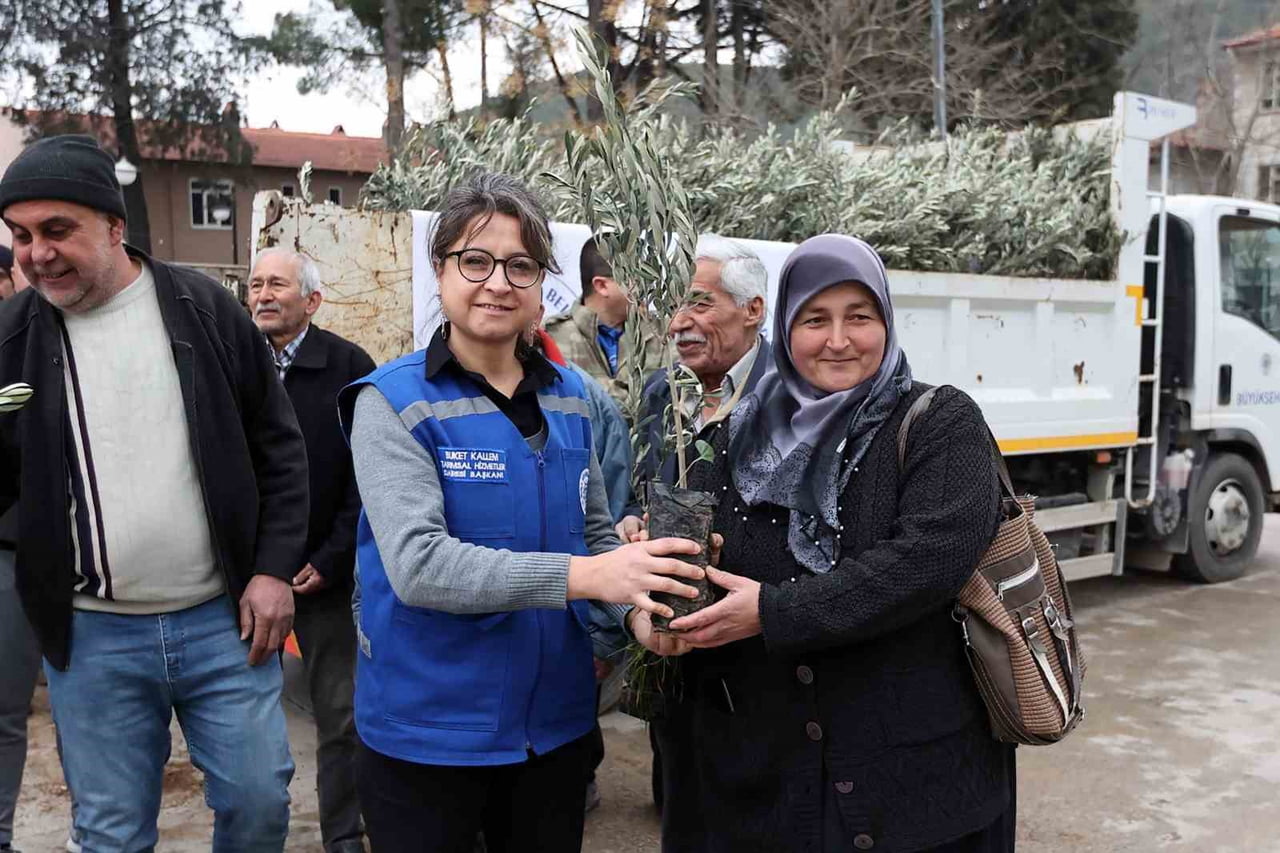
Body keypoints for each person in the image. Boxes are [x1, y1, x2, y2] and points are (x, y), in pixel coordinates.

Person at [340, 172, 707, 853]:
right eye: (475, 261)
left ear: (542, 283)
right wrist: (590, 577)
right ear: (441, 270)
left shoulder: (572, 397)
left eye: (521, 266)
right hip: (430, 735)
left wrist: (636, 612)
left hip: (553, 730)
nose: (498, 283)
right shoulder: (391, 401)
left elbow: (594, 533)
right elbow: (419, 566)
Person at [637, 234, 1017, 853]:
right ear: (786, 329)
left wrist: (772, 612)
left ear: (886, 321)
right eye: (815, 320)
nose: (838, 340)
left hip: (909, 785)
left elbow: (927, 561)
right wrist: (654, 579)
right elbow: (696, 541)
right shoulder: (741, 430)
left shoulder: (940, 422)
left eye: (858, 317)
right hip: (760, 781)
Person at [0, 134, 307, 852]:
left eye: (56, 230)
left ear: (114, 226)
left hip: (224, 622)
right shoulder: (11, 339)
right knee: (110, 832)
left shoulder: (204, 310)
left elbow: (280, 448)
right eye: (21, 235)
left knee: (260, 803)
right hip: (91, 635)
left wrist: (271, 570)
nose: (37, 253)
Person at [248, 247, 375, 853]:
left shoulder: (349, 367)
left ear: (313, 300)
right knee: (245, 716)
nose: (263, 295)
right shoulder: (233, 361)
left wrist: (329, 559)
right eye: (255, 285)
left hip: (325, 578)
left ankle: (343, 837)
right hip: (249, 581)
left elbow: (366, 479)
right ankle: (255, 833)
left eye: (277, 284)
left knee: (340, 715)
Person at [615, 234, 771, 540]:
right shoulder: (661, 391)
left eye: (699, 304)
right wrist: (633, 519)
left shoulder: (791, 396)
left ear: (752, 310)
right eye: (672, 307)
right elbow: (639, 490)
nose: (677, 324)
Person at [544, 238, 663, 406]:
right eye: (638, 278)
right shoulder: (550, 336)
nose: (647, 288)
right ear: (602, 286)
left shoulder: (662, 334)